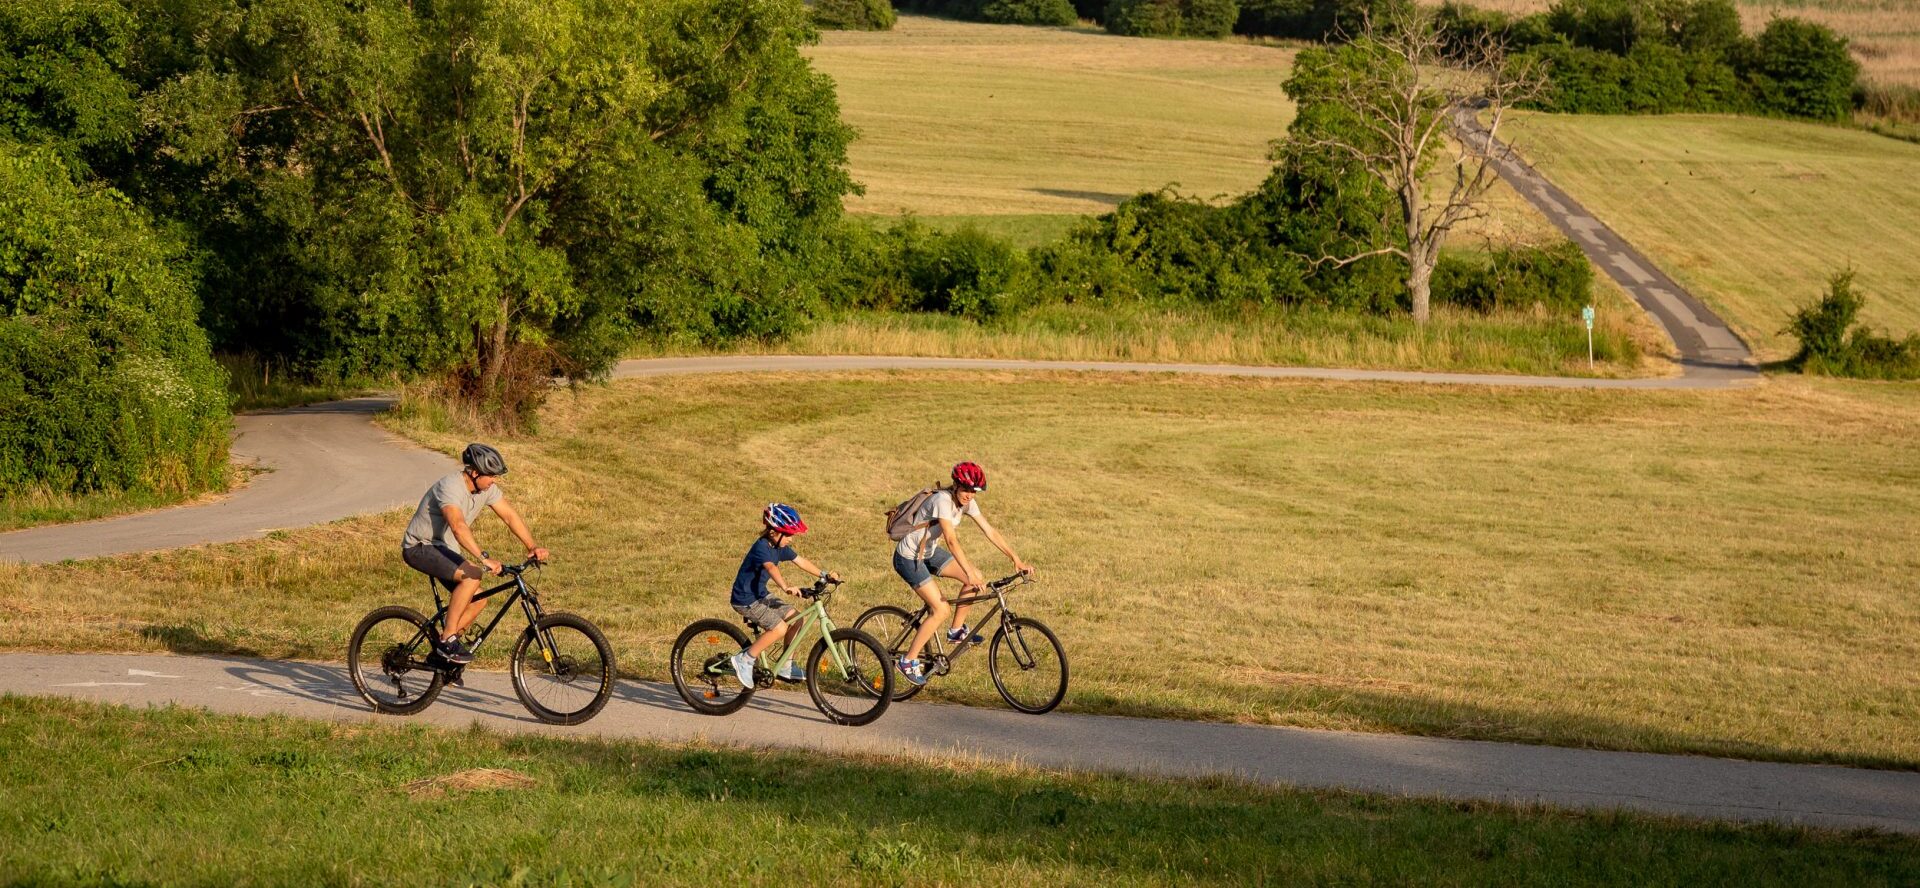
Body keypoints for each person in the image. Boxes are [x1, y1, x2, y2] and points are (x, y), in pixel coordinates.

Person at [400, 443, 549, 665]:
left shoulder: (485, 490)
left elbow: (509, 515)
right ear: (474, 472)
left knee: (479, 599)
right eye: (490, 476)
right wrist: (483, 558)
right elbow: (459, 526)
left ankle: (444, 659)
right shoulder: (450, 487)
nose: (494, 481)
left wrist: (531, 546)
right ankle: (447, 640)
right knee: (473, 575)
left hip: (444, 549)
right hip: (420, 547)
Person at [891, 461, 1031, 686]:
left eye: (974, 491)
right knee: (941, 609)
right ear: (955, 485)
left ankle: (956, 632)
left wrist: (1016, 559)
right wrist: (968, 572)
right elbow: (951, 540)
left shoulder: (967, 504)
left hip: (928, 552)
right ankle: (908, 661)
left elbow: (990, 531)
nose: (969, 495)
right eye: (966, 489)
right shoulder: (942, 501)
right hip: (909, 557)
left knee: (975, 576)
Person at [729, 503, 838, 687]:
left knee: (796, 618)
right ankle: (745, 660)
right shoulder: (761, 547)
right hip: (745, 599)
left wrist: (824, 575)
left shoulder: (780, 546)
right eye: (788, 535)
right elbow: (771, 567)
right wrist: (786, 586)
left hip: (761, 595)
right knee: (779, 628)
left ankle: (785, 665)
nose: (791, 539)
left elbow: (800, 561)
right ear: (773, 532)